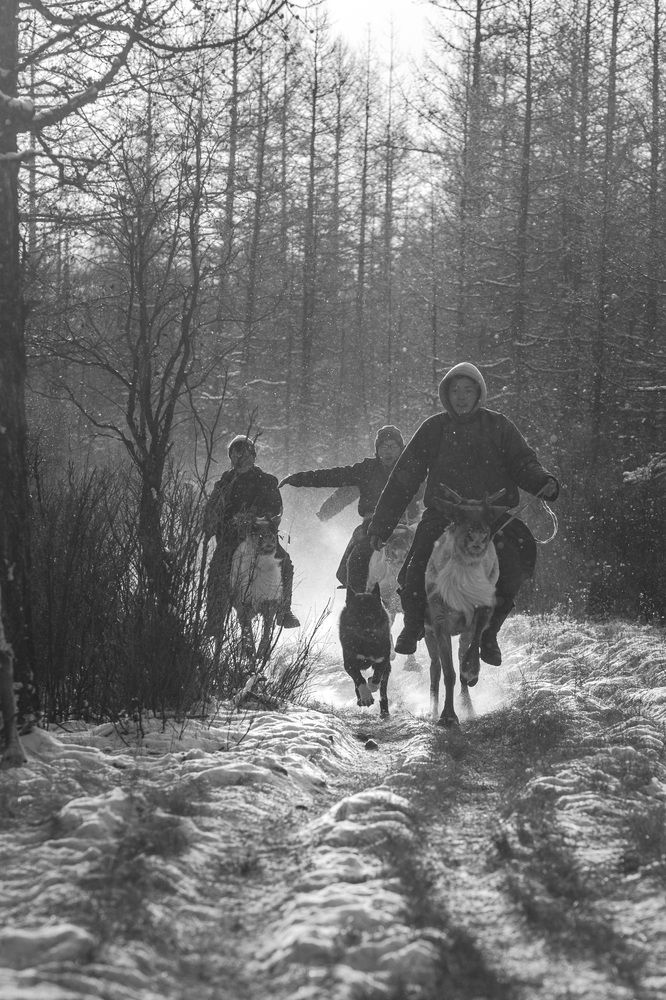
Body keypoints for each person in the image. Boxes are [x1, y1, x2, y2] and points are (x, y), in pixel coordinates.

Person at [366, 363, 559, 663]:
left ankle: (489, 633)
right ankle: (414, 623)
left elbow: (523, 463)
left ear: (479, 393)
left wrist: (542, 481)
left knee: (518, 551)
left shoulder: (499, 426)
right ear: (446, 394)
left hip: (492, 516)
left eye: (468, 390)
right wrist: (382, 525)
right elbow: (404, 478)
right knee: (418, 560)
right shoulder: (433, 428)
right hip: (445, 514)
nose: (461, 397)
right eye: (455, 390)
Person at [279, 425, 420, 590]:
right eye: (383, 446)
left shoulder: (413, 468)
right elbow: (334, 477)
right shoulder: (367, 469)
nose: (388, 451)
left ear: (401, 449)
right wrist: (298, 479)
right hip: (372, 527)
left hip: (407, 526)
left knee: (431, 553)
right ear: (377, 449)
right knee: (357, 556)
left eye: (393, 446)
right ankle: (357, 598)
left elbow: (433, 488)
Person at [203, 435, 300, 634]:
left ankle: (284, 610)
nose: (241, 458)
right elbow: (211, 513)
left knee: (285, 562)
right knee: (216, 571)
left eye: (246, 453)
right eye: (236, 454)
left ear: (254, 456)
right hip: (230, 538)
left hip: (261, 536)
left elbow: (275, 510)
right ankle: (214, 620)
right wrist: (222, 523)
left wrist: (256, 520)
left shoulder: (266, 480)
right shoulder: (224, 483)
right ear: (230, 457)